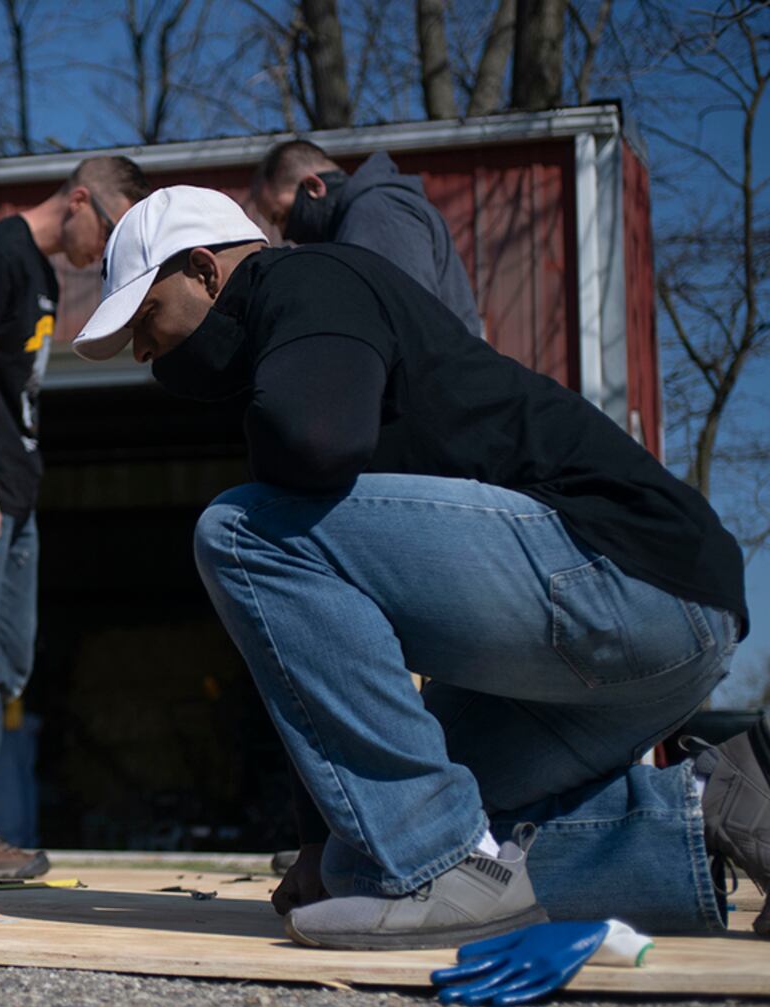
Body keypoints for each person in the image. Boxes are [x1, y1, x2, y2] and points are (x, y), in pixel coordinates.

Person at [70, 185, 759, 949]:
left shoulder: (309, 280)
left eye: (144, 318)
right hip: (658, 628)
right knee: (388, 847)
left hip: (622, 571)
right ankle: (710, 808)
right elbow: (317, 646)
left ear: (203, 269)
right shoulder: (305, 325)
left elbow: (315, 441)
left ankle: (439, 864)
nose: (140, 350)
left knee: (238, 529)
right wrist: (321, 838)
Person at [0, 156, 150, 879]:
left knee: (6, 661)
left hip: (17, 494)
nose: (103, 255)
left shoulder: (40, 274)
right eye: (108, 235)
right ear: (81, 199)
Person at [250, 139, 483, 336]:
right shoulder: (360, 220)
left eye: (281, 216)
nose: (285, 233)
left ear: (313, 186)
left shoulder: (376, 215)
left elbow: (407, 325)